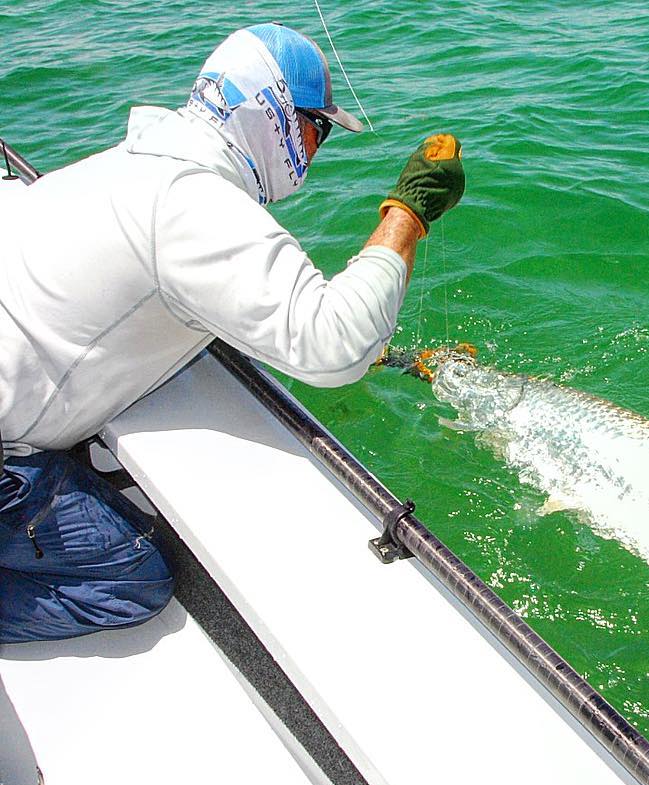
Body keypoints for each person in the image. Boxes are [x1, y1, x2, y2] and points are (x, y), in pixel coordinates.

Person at [0, 22, 465, 644]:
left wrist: (398, 358)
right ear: (272, 114)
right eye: (317, 126)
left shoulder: (129, 163)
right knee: (133, 580)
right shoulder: (194, 208)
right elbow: (333, 346)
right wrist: (408, 212)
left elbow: (222, 306)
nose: (318, 146)